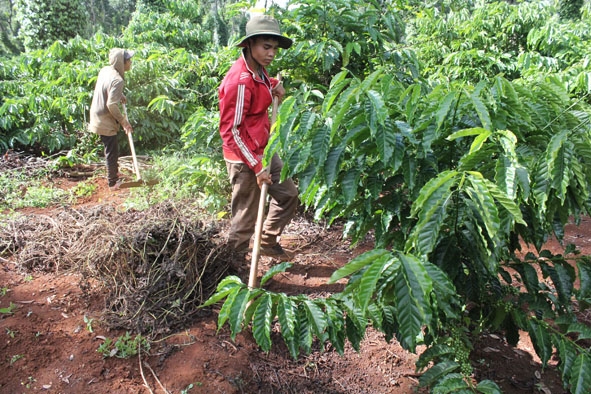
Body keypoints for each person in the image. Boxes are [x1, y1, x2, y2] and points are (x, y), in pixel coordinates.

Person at [218, 15, 299, 262]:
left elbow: (260, 87)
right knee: (245, 219)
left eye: (274, 48)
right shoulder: (239, 81)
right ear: (249, 45)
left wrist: (273, 85)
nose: (272, 53)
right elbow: (231, 131)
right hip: (244, 157)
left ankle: (267, 241)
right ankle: (233, 269)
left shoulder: (259, 71)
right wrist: (256, 166)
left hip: (263, 147)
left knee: (288, 195)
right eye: (266, 47)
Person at [89, 48, 135, 190]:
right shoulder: (118, 80)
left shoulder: (106, 70)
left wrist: (118, 95)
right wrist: (124, 121)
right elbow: (111, 104)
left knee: (112, 147)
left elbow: (106, 88)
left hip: (96, 111)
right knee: (111, 149)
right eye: (128, 60)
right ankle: (112, 182)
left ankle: (114, 172)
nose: (130, 62)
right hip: (104, 117)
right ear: (122, 63)